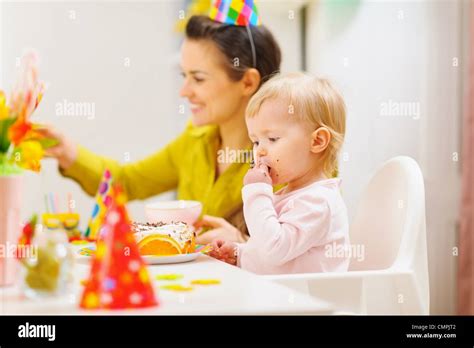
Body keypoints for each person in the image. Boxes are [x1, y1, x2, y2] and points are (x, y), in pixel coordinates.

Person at [39, 6, 281, 244]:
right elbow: (128, 181)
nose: (184, 92)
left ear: (247, 82)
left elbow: (300, 256)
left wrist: (243, 244)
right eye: (183, 76)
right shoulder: (196, 139)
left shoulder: (283, 159)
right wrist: (67, 151)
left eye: (198, 79)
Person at [209, 72, 350, 274]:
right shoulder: (289, 195)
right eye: (256, 141)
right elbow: (277, 259)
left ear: (317, 141)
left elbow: (275, 250)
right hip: (287, 298)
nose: (259, 151)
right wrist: (241, 254)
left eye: (273, 139)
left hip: (311, 303)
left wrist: (256, 192)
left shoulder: (318, 201)